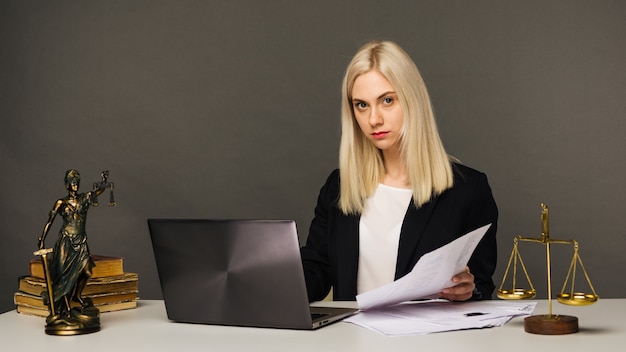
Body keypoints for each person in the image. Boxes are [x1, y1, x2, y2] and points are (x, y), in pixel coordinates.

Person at [300, 40, 498, 303]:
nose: (373, 119)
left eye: (387, 100)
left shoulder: (468, 190)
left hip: (426, 342)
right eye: (362, 105)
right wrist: (274, 280)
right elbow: (317, 269)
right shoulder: (339, 186)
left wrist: (468, 290)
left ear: (412, 99)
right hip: (351, 340)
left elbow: (481, 286)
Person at [37, 169, 110, 318]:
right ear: (66, 185)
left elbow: (98, 191)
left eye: (77, 182)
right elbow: (50, 221)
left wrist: (103, 182)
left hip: (81, 241)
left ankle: (77, 296)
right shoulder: (61, 202)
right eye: (72, 183)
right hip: (66, 242)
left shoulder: (84, 199)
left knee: (87, 271)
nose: (75, 185)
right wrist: (42, 238)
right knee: (64, 276)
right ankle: (65, 308)